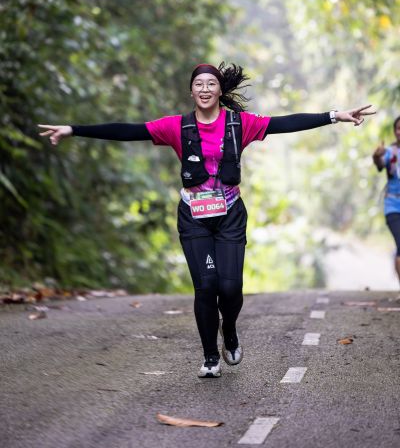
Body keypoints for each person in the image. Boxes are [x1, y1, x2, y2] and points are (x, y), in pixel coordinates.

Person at [39, 62, 375, 378]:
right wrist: (73, 130)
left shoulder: (239, 124)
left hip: (230, 215)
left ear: (219, 90)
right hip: (194, 217)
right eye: (198, 84)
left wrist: (335, 116)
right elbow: (129, 131)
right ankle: (210, 357)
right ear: (191, 91)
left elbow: (284, 123)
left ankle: (229, 327)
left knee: (230, 288)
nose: (204, 89)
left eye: (210, 84)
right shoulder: (175, 126)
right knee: (206, 286)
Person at [372, 116, 400, 289]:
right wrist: (376, 156)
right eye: (398, 128)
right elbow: (380, 164)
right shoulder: (390, 152)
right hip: (393, 205)